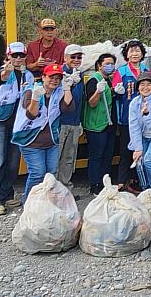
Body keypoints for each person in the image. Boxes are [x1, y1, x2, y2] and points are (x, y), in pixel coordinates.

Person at [11, 63, 75, 201]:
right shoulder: (31, 90)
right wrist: (35, 98)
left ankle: (45, 202)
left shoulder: (59, 91)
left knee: (51, 173)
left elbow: (68, 108)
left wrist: (67, 89)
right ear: (44, 77)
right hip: (30, 139)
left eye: (58, 77)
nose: (55, 80)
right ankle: (29, 203)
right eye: (51, 77)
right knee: (37, 173)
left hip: (51, 140)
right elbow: (31, 115)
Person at [0, 41, 33, 216]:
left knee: (13, 162)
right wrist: (7, 71)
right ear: (8, 56)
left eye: (21, 55)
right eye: (15, 55)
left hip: (17, 122)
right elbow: (2, 77)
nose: (18, 59)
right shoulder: (2, 71)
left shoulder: (27, 75)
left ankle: (7, 192)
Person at [112, 39, 149, 190]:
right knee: (126, 150)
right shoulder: (121, 71)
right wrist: (116, 91)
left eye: (137, 51)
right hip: (126, 117)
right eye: (131, 51)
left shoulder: (146, 70)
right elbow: (115, 89)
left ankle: (137, 180)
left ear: (142, 54)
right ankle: (122, 181)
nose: (135, 54)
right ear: (126, 54)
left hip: (144, 117)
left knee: (141, 149)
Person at [83, 53, 117, 195]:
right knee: (97, 155)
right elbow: (92, 103)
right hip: (95, 125)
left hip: (107, 124)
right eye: (107, 63)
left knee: (107, 155)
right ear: (99, 65)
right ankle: (95, 184)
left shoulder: (108, 80)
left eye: (112, 64)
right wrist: (98, 91)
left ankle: (105, 183)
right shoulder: (93, 80)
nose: (110, 66)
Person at [56, 44, 85, 192]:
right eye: (72, 57)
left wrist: (80, 121)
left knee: (69, 158)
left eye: (79, 57)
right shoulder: (59, 74)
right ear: (65, 57)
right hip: (60, 123)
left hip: (74, 123)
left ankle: (65, 189)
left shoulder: (80, 74)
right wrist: (69, 84)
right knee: (56, 158)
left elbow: (81, 101)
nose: (76, 59)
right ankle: (53, 190)